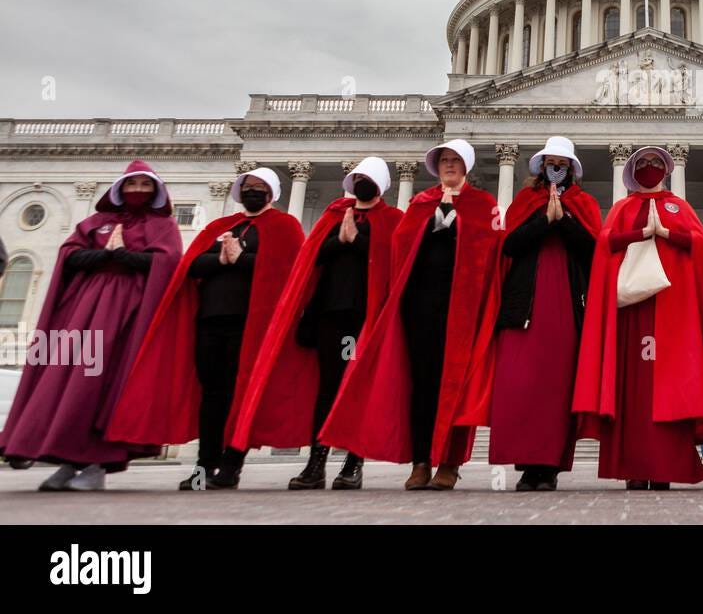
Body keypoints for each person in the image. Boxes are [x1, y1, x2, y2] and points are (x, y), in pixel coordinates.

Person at [106, 167, 304, 490]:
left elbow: (289, 271)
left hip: (251, 323)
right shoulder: (220, 226)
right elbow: (192, 264)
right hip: (211, 319)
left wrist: (239, 258)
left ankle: (231, 465)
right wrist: (226, 260)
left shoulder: (285, 226)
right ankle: (204, 465)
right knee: (212, 396)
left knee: (242, 394)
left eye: (259, 187)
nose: (252, 191)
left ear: (272, 194)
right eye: (247, 186)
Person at [320, 140, 502, 492]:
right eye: (443, 160)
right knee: (421, 386)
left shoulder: (483, 205)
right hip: (420, 307)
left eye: (455, 160)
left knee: (456, 388)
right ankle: (421, 461)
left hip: (462, 310)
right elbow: (400, 252)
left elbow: (489, 253)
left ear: (466, 166)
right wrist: (436, 224)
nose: (449, 165)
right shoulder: (420, 204)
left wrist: (453, 223)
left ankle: (449, 463)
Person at [0, 161, 182, 491]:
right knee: (73, 383)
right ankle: (68, 462)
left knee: (109, 384)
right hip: (85, 312)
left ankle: (97, 465)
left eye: (145, 185)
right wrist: (103, 256)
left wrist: (123, 255)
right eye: (132, 184)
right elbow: (69, 254)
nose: (138, 190)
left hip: (130, 314)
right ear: (119, 188)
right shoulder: (96, 223)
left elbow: (167, 262)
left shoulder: (162, 225)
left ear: (155, 191)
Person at [572, 146, 703, 489]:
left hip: (673, 309)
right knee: (632, 386)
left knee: (672, 384)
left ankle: (666, 467)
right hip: (631, 310)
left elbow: (701, 244)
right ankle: (635, 467)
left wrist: (665, 233)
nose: (650, 168)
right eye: (643, 163)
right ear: (634, 171)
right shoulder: (622, 207)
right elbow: (605, 244)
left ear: (666, 169)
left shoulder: (679, 207)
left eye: (655, 163)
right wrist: (639, 233)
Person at [230, 157, 403, 490]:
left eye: (368, 178)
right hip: (328, 314)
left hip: (362, 318)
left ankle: (354, 464)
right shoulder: (334, 215)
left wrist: (358, 240)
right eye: (358, 178)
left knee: (355, 387)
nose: (361, 183)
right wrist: (341, 239)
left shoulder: (393, 220)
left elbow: (393, 263)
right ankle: (316, 463)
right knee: (326, 389)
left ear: (381, 184)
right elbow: (310, 257)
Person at [490, 136, 600, 492]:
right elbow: (509, 245)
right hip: (524, 302)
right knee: (522, 385)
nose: (557, 169)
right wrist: (543, 221)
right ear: (541, 167)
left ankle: (549, 466)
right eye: (552, 163)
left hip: (567, 302)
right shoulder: (526, 201)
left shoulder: (582, 203)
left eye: (563, 164)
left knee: (556, 386)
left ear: (571, 170)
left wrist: (563, 220)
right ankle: (528, 463)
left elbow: (593, 251)